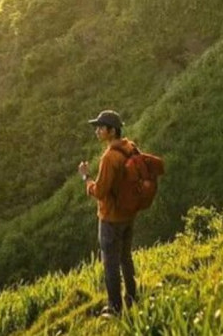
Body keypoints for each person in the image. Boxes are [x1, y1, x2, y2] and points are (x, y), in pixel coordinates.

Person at [78, 109, 138, 317]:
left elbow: (100, 192)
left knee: (110, 264)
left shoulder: (109, 157)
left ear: (112, 131)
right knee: (126, 258)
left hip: (111, 219)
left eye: (101, 127)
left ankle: (115, 308)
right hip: (128, 214)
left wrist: (86, 179)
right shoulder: (130, 147)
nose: (97, 131)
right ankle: (132, 297)